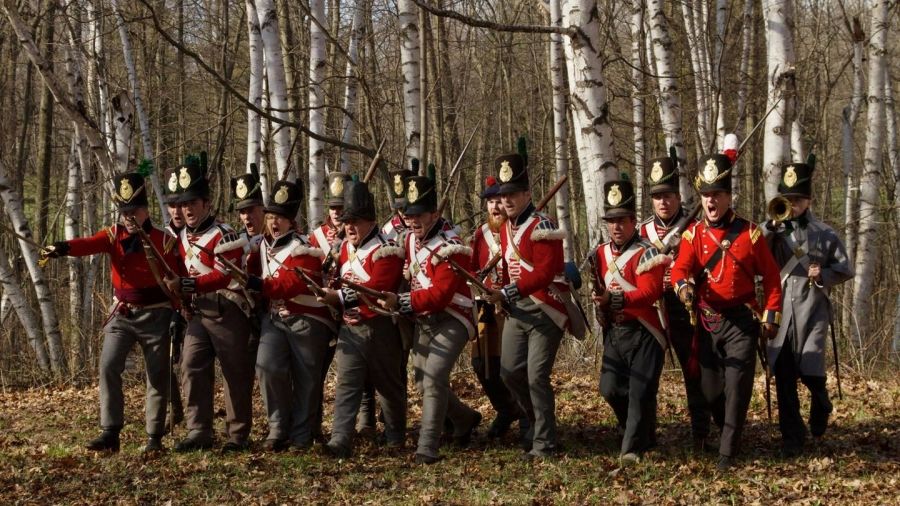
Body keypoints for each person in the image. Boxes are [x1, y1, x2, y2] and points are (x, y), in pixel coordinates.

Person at [42, 173, 181, 453]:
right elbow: (88, 244)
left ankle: (154, 437)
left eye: (133, 211)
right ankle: (110, 432)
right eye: (124, 212)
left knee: (157, 376)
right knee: (108, 366)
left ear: (145, 210)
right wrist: (62, 248)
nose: (128, 217)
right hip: (123, 314)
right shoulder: (112, 235)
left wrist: (178, 313)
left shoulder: (164, 241)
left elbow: (178, 279)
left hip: (157, 316)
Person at [670, 154, 783, 471]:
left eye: (717, 195)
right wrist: (683, 288)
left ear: (728, 196)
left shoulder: (751, 234)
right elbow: (680, 269)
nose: (711, 201)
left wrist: (771, 314)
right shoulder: (693, 235)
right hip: (708, 320)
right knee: (710, 391)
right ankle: (728, 430)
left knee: (737, 388)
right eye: (706, 195)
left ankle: (728, 452)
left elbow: (772, 277)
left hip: (742, 321)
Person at [379, 172, 482, 464]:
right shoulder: (409, 239)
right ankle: (464, 419)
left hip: (454, 318)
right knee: (424, 383)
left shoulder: (453, 246)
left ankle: (427, 446)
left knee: (435, 375)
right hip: (423, 319)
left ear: (434, 213)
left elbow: (440, 296)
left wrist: (400, 301)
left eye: (420, 215)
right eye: (409, 215)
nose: (413, 221)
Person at [163, 153, 256, 452]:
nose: (187, 209)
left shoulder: (225, 235)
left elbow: (222, 276)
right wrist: (182, 299)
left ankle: (237, 435)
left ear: (206, 204)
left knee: (234, 372)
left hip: (228, 309)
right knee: (190, 366)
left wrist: (186, 286)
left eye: (193, 203)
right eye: (183, 204)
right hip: (198, 313)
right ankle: (199, 430)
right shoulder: (180, 238)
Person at [236, 179, 338, 452]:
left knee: (306, 379)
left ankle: (302, 435)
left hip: (308, 319)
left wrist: (257, 284)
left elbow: (290, 285)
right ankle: (278, 428)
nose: (274, 223)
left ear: (292, 221)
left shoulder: (305, 250)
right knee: (267, 367)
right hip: (275, 318)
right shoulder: (261, 246)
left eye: (280, 218)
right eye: (270, 217)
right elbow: (252, 270)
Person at [484, 151, 571, 460]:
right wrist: (500, 293)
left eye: (512, 194)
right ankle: (536, 422)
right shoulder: (506, 228)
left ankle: (545, 442)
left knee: (536, 375)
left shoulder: (543, 225)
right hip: (516, 308)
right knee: (508, 373)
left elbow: (546, 272)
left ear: (527, 194)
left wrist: (509, 290)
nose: (505, 201)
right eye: (502, 195)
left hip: (545, 308)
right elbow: (509, 267)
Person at [765, 161, 853, 457]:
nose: (792, 205)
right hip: (779, 310)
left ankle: (821, 401)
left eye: (797, 200)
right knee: (784, 372)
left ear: (808, 202)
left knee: (812, 368)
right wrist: (770, 228)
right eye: (787, 200)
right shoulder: (772, 230)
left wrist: (823, 276)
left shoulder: (825, 233)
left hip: (812, 309)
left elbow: (845, 268)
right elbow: (754, 253)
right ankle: (792, 435)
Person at [317, 178, 407, 459]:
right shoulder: (344, 248)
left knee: (389, 387)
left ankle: (395, 434)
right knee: (346, 384)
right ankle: (340, 439)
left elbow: (377, 291)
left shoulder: (387, 250)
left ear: (370, 221)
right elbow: (341, 280)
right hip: (351, 326)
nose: (349, 227)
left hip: (379, 326)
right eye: (346, 222)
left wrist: (338, 297)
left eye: (355, 221)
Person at [592, 177, 668, 466]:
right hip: (617, 331)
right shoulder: (599, 254)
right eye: (611, 221)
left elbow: (650, 292)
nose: (616, 227)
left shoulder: (648, 252)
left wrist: (617, 299)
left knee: (639, 390)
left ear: (634, 221)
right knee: (609, 388)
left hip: (646, 330)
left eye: (622, 220)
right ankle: (641, 430)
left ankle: (630, 449)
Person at [638, 155, 711, 451]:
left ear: (678, 196)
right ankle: (646, 433)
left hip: (685, 305)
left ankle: (701, 431)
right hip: (650, 308)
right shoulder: (642, 232)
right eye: (657, 197)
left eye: (667, 196)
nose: (663, 202)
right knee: (646, 375)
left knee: (694, 369)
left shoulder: (696, 225)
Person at [469, 176, 527, 440]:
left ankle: (527, 415)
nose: (494, 208)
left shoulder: (519, 232)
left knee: (512, 366)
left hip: (512, 305)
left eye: (497, 202)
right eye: (490, 202)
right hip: (485, 305)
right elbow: (470, 268)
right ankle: (506, 408)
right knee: (482, 365)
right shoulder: (479, 236)